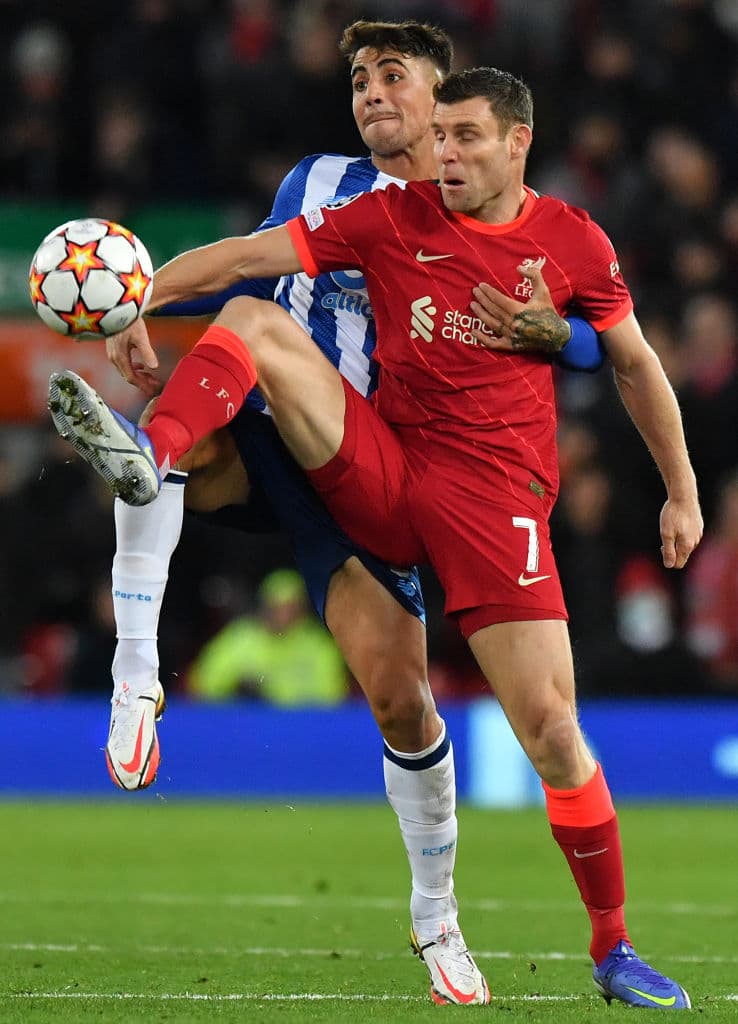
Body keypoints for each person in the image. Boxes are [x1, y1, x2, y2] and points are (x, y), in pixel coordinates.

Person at [50, 62, 679, 1010]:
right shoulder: (388, 215)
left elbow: (631, 359)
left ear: (517, 143)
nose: (448, 155)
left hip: (494, 500)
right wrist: (133, 297)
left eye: (467, 137)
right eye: (446, 137)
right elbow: (237, 263)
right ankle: (157, 452)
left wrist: (682, 489)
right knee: (251, 319)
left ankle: (611, 947)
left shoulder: (571, 239)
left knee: (550, 732)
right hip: (381, 467)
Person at [188, 568, 348, 705]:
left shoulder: (319, 645)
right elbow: (201, 683)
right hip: (244, 729)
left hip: (299, 731)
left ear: (302, 610)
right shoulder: (241, 636)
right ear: (264, 606)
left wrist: (272, 694)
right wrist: (237, 688)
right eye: (276, 607)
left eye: (290, 608)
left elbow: (333, 696)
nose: (283, 615)